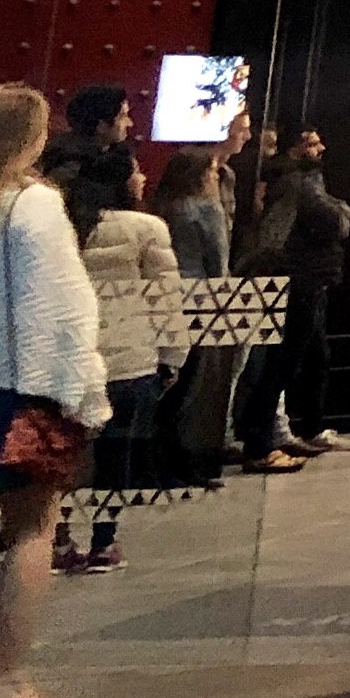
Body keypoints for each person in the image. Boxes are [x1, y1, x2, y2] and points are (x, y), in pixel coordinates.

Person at [0, 85, 99, 698]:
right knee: (31, 529)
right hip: (15, 389)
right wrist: (78, 394)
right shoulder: (33, 205)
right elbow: (62, 308)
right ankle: (11, 677)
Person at [58, 155, 183, 575]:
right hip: (130, 362)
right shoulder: (147, 228)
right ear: (123, 182)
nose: (143, 176)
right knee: (116, 456)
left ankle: (55, 538)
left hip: (70, 361)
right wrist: (172, 358)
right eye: (136, 170)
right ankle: (104, 543)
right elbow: (165, 300)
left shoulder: (64, 227)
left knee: (62, 456)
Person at [239, 127, 350, 463]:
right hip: (301, 278)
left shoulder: (289, 180)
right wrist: (342, 209)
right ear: (297, 149)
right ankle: (259, 442)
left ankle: (273, 435)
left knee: (298, 359)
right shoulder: (299, 181)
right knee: (282, 362)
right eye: (312, 143)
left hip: (298, 276)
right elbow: (335, 220)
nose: (321, 148)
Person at [147, 150, 242, 495]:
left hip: (165, 298)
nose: (217, 178)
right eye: (213, 172)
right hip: (200, 300)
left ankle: (155, 463)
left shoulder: (164, 207)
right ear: (201, 176)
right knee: (192, 390)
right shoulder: (207, 208)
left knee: (168, 385)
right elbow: (218, 262)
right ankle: (183, 465)